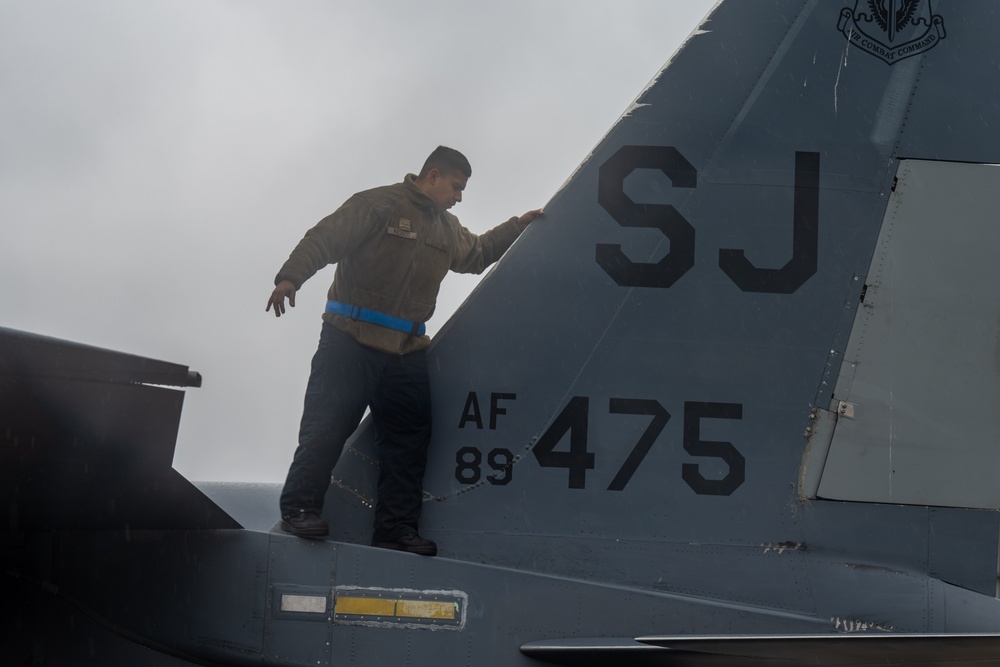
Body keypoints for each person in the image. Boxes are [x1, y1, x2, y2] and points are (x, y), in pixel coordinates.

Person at [266, 146, 543, 556]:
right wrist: (290, 277)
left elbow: (478, 254)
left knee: (408, 442)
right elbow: (324, 238)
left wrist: (516, 227)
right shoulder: (377, 204)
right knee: (326, 425)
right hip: (349, 338)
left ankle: (395, 528)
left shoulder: (447, 229)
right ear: (433, 175)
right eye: (456, 187)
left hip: (405, 350)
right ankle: (299, 508)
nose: (459, 197)